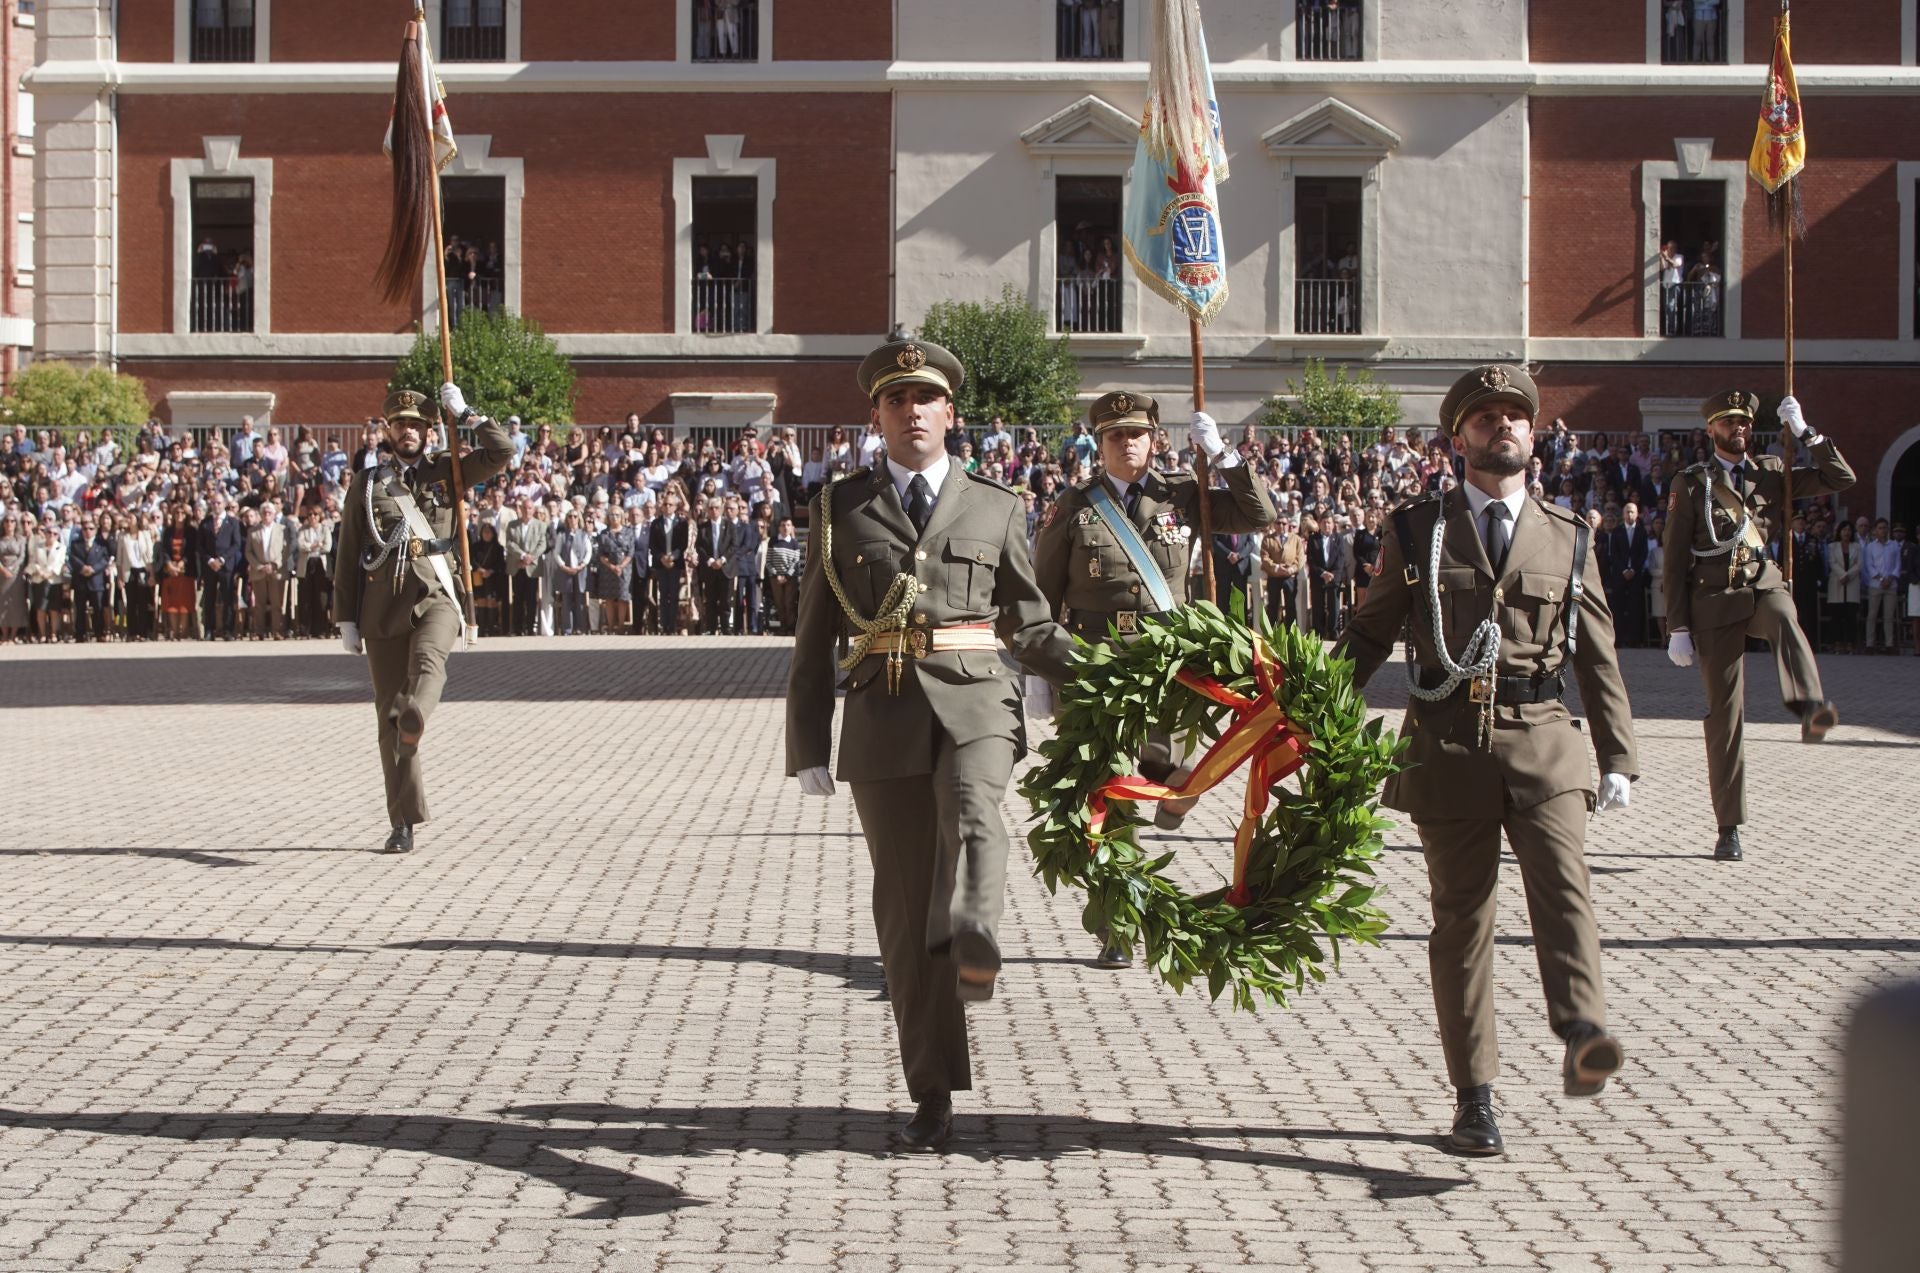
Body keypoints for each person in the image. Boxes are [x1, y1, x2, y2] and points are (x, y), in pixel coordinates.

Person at [1336, 364, 1638, 1157]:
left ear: (1533, 435)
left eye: (1515, 415)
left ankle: (1581, 1026)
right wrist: (1313, 710)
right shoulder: (1415, 531)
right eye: (1486, 416)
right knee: (1461, 923)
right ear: (1458, 436)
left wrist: (1618, 756)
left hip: (1543, 738)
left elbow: (1600, 657)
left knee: (1564, 887)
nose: (1502, 425)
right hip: (1448, 745)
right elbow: (1369, 636)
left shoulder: (1569, 535)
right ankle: (1474, 1097)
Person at [786, 339, 1075, 1153]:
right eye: (896, 399)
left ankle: (978, 929)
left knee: (975, 808)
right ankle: (934, 1090)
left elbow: (1033, 620)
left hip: (979, 698)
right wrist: (807, 736)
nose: (913, 411)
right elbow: (813, 633)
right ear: (877, 417)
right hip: (882, 716)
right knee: (909, 923)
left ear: (951, 412)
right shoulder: (840, 509)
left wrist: (1108, 670)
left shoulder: (997, 504)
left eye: (927, 398)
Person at [1032, 390, 1276, 965]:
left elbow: (1258, 515)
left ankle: (1175, 796)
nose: (1127, 444)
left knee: (1170, 771)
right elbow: (1044, 593)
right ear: (1101, 443)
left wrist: (1223, 457)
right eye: (1115, 435)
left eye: (1136, 434)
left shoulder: (1181, 496)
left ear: (1154, 439)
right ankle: (1119, 925)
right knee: (1111, 795)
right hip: (1098, 667)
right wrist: (1039, 673)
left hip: (1170, 665)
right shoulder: (1075, 506)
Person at [1663, 391, 1852, 861]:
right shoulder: (1691, 484)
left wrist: (1807, 434)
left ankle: (1809, 705)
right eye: (1729, 422)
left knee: (1785, 615)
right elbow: (1672, 560)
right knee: (1725, 717)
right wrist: (1676, 626)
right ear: (1712, 431)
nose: (1739, 429)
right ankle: (1728, 826)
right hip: (1712, 601)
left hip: (1760, 587)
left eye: (1745, 422)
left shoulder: (1773, 470)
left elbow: (1840, 478)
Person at [332, 384, 514, 854]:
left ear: (430, 431)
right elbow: (349, 552)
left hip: (437, 594)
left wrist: (469, 413)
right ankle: (404, 821)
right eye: (400, 424)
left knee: (430, 665)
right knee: (388, 723)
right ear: (388, 431)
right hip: (381, 608)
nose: (408, 431)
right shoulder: (367, 484)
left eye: (416, 425)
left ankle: (418, 713)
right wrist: (345, 618)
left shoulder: (449, 469)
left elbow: (502, 451)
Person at [1604, 500, 1651, 647]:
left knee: (1635, 608)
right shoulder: (1617, 531)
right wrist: (1624, 570)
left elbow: (1643, 553)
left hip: (1636, 575)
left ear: (1637, 514)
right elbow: (1615, 554)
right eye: (1627, 511)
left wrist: (1634, 569)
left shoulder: (1641, 532)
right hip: (1620, 574)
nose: (1629, 514)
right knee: (1618, 607)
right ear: (1623, 514)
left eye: (1632, 511)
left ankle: (1634, 639)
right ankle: (1618, 639)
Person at [198, 494, 243, 640]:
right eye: (213, 503)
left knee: (227, 599)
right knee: (209, 599)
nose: (216, 505)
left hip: (226, 566)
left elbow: (236, 544)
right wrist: (210, 560)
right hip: (210, 567)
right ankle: (209, 630)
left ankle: (228, 630)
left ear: (224, 504)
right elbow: (200, 546)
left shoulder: (233, 522)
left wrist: (222, 559)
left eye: (218, 502)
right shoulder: (205, 523)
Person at [68, 514, 112, 642]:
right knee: (80, 608)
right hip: (80, 579)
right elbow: (72, 558)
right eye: (85, 529)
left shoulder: (101, 543)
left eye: (91, 529)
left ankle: (99, 633)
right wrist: (82, 568)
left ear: (96, 530)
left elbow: (105, 559)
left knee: (98, 607)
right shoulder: (76, 543)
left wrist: (93, 569)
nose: (88, 531)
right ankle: (80, 634)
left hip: (96, 579)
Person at [1862, 518, 1901, 653]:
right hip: (1875, 584)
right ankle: (1870, 644)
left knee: (1889, 616)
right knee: (1872, 615)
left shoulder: (1894, 545)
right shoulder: (1870, 547)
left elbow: (1897, 564)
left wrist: (1890, 578)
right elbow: (1869, 565)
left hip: (1891, 584)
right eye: (1880, 528)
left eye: (1885, 528)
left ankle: (1889, 644)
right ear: (1875, 530)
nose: (1883, 530)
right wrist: (1880, 579)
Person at [1825, 520, 1861, 653]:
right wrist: (1842, 575)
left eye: (1849, 530)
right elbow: (1832, 562)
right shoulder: (1832, 546)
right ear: (1839, 532)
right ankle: (1837, 643)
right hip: (1837, 583)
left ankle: (1851, 643)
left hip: (1852, 583)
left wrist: (1848, 575)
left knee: (1851, 616)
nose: (1847, 532)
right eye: (1844, 530)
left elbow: (1859, 564)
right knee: (1837, 616)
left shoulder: (1857, 546)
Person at [0, 513, 26, 642]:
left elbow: (21, 557)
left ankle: (12, 635)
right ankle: (4, 635)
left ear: (16, 523)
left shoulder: (20, 539)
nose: (9, 523)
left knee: (16, 603)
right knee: (2, 603)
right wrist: (3, 569)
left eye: (12, 521)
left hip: (16, 575)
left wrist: (12, 569)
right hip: (1, 574)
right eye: (6, 521)